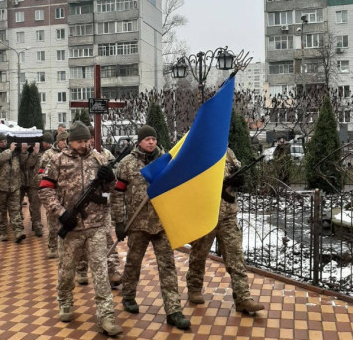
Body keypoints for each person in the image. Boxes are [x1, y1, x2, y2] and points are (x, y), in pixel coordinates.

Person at [39, 121, 122, 336]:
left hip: (95, 225)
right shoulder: (57, 160)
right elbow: (45, 190)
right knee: (66, 271)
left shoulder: (99, 159)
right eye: (79, 141)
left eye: (86, 140)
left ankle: (106, 316)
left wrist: (110, 179)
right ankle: (65, 301)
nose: (83, 144)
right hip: (71, 225)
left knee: (101, 272)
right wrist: (61, 213)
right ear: (69, 142)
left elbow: (111, 191)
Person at [111, 125, 191, 330]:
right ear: (139, 141)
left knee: (168, 267)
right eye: (147, 139)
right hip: (137, 224)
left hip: (161, 223)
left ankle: (173, 310)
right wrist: (119, 221)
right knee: (133, 263)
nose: (151, 142)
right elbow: (118, 194)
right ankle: (128, 296)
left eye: (154, 139)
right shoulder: (127, 164)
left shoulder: (166, 162)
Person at [186, 148, 265, 315]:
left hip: (228, 216)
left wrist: (239, 180)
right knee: (198, 255)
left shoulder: (228, 153)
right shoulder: (200, 150)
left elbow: (238, 171)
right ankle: (194, 288)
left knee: (236, 256)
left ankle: (243, 297)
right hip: (206, 215)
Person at [75, 125, 121, 287]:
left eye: (93, 138)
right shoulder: (75, 157)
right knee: (81, 239)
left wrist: (110, 176)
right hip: (82, 207)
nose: (91, 142)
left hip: (102, 205)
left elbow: (114, 182)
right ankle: (81, 269)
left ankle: (113, 269)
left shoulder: (104, 155)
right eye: (88, 139)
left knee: (107, 237)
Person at [0, 133, 29, 243]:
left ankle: (18, 232)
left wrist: (23, 151)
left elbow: (23, 163)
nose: (4, 143)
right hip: (0, 187)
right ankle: (3, 232)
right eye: (1, 142)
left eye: (5, 141)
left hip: (14, 186)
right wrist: (10, 151)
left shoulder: (14, 152)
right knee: (0, 211)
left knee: (15, 209)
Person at [39, 131, 68, 258]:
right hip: (53, 194)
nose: (65, 143)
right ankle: (52, 246)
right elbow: (41, 173)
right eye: (62, 140)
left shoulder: (70, 154)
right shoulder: (48, 154)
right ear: (58, 141)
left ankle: (65, 246)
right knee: (52, 222)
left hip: (66, 194)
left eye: (66, 140)